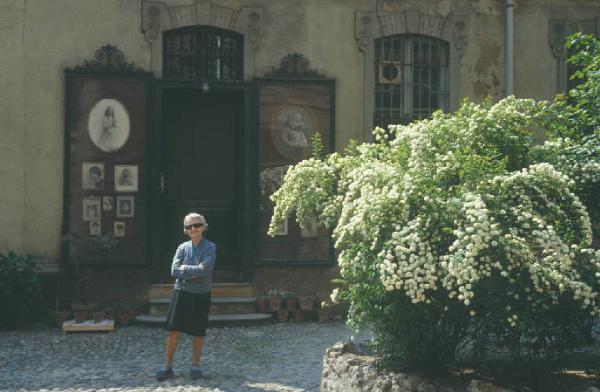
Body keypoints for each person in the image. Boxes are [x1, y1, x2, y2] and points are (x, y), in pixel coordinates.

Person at [156, 212, 216, 381]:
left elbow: (204, 271)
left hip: (201, 294)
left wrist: (184, 270)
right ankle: (167, 367)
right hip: (181, 293)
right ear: (186, 230)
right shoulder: (182, 248)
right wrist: (193, 272)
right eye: (189, 226)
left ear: (203, 227)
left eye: (196, 225)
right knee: (174, 330)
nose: (193, 229)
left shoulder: (210, 247)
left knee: (197, 331)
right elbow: (174, 271)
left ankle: (195, 366)